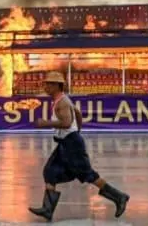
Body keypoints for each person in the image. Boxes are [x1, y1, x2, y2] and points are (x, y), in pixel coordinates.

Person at [28, 72, 130, 221]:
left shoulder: (62, 102)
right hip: (67, 142)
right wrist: (77, 132)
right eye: (46, 84)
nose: (46, 87)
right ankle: (47, 209)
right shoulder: (61, 100)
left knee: (88, 175)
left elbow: (67, 123)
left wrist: (46, 123)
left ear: (57, 86)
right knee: (49, 172)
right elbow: (77, 113)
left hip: (71, 144)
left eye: (49, 84)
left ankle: (119, 197)